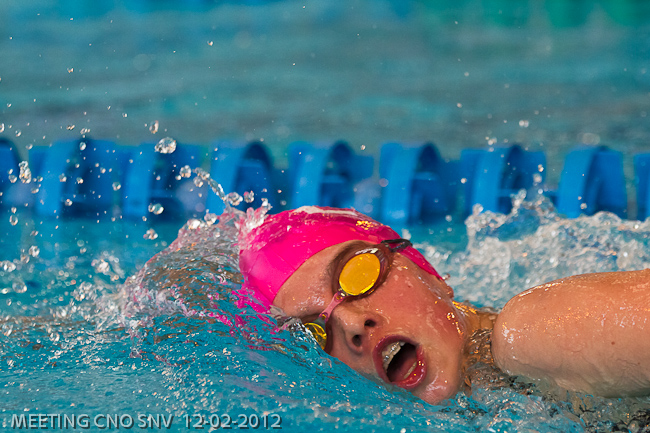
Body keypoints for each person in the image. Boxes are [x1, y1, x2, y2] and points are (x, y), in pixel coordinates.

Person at [238, 205, 650, 405]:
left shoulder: (528, 334)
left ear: (428, 271)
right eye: (313, 331)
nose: (351, 324)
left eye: (356, 275)